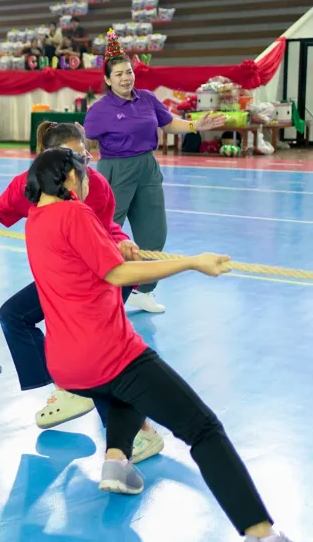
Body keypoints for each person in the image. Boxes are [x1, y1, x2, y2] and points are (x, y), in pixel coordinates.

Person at [23, 148, 291, 542]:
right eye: (84, 175)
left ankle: (116, 461)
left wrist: (116, 245)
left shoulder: (35, 220)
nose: (89, 182)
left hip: (67, 366)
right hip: (108, 354)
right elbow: (117, 273)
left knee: (127, 391)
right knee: (203, 429)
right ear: (69, 179)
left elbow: (85, 258)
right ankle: (261, 533)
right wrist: (192, 262)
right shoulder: (74, 212)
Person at [0, 121, 163, 464]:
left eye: (84, 157)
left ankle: (138, 434)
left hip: (104, 276)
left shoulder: (94, 186)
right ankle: (67, 389)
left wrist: (124, 242)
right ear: (48, 158)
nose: (80, 167)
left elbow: (107, 229)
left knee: (94, 354)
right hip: (67, 280)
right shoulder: (29, 185)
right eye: (72, 158)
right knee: (14, 316)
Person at [85, 33, 226, 313]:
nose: (126, 78)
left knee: (154, 234)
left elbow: (169, 123)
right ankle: (93, 289)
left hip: (148, 169)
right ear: (108, 80)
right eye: (118, 74)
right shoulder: (99, 110)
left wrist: (195, 126)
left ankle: (143, 291)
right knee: (103, 233)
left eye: (129, 72)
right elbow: (87, 142)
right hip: (115, 171)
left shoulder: (147, 99)